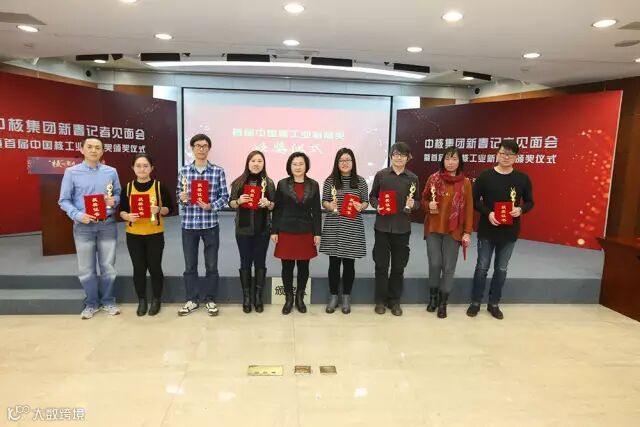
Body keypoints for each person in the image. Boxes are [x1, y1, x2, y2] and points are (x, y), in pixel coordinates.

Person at [467, 139, 534, 319]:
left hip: (509, 231)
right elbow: (474, 200)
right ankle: (475, 302)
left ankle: (494, 303)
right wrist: (488, 213)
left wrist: (520, 210)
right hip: (487, 229)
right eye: (503, 153)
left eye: (510, 154)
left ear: (516, 157)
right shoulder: (485, 176)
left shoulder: (522, 178)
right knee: (482, 267)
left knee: (501, 269)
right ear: (497, 154)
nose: (506, 157)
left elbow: (530, 202)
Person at [58, 137, 121, 319]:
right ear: (82, 150)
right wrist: (78, 215)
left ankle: (108, 301)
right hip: (83, 226)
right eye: (90, 147)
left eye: (98, 148)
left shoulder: (111, 172)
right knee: (86, 268)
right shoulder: (71, 172)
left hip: (107, 224)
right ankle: (91, 303)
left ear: (102, 151)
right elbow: (63, 200)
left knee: (108, 266)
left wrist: (114, 200)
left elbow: (118, 193)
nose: (94, 150)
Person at [176, 134, 229, 317]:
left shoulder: (218, 171)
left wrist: (211, 206)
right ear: (192, 148)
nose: (201, 149)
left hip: (210, 225)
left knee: (211, 265)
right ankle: (192, 299)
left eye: (205, 146)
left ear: (209, 148)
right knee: (190, 265)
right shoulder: (184, 171)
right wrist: (182, 199)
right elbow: (179, 196)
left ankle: (210, 299)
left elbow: (225, 197)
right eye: (198, 146)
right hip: (189, 225)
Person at [421, 147, 473, 318]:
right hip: (433, 228)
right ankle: (433, 297)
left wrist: (467, 232)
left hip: (454, 230)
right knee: (435, 264)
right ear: (443, 161)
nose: (450, 162)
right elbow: (423, 199)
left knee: (449, 267)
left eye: (454, 159)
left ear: (460, 162)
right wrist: (428, 205)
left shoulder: (465, 183)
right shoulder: (433, 178)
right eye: (448, 159)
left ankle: (443, 303)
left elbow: (469, 209)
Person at [369, 142, 419, 316]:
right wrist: (377, 205)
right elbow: (373, 196)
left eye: (402, 155)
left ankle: (394, 300)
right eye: (396, 154)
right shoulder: (381, 175)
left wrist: (413, 204)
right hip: (382, 227)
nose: (399, 158)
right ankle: (380, 300)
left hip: (402, 228)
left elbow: (418, 201)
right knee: (381, 266)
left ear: (408, 158)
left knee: (398, 267)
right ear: (391, 156)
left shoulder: (413, 178)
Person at [119, 154, 173, 316]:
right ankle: (142, 300)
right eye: (138, 166)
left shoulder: (159, 186)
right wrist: (127, 216)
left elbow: (170, 209)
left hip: (154, 234)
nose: (142, 169)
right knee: (139, 268)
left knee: (155, 267)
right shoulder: (128, 188)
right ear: (133, 168)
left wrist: (159, 209)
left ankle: (156, 299)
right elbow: (122, 210)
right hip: (134, 234)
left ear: (151, 168)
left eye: (145, 166)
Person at [319, 148, 369, 314]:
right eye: (342, 160)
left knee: (349, 263)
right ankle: (333, 296)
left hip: (352, 226)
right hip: (334, 226)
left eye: (348, 160)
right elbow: (324, 200)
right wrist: (329, 205)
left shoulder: (360, 181)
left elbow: (366, 201)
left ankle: (346, 296)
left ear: (353, 162)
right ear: (337, 163)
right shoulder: (330, 181)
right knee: (333, 264)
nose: (345, 163)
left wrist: (361, 206)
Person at [271, 152, 322, 315]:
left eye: (301, 164)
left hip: (306, 230)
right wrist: (274, 230)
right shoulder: (282, 184)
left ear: (306, 166)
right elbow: (277, 209)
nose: (298, 167)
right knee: (286, 266)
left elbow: (317, 211)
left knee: (303, 266)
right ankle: (288, 299)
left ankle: (300, 298)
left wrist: (317, 233)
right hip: (286, 230)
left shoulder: (313, 184)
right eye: (294, 164)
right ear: (290, 166)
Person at [228, 151, 275, 313]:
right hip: (243, 230)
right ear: (248, 163)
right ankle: (247, 297)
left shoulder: (269, 183)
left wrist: (268, 203)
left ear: (264, 163)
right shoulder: (239, 182)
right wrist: (239, 201)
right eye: (253, 160)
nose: (256, 164)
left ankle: (258, 297)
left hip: (263, 230)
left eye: (259, 161)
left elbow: (274, 205)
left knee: (260, 262)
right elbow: (231, 203)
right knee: (245, 262)